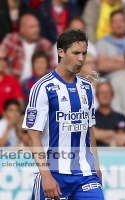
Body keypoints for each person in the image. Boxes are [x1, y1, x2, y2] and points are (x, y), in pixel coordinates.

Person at [22, 29, 104, 200]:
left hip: (86, 175)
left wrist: (96, 166)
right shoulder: (42, 87)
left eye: (84, 53)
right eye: (75, 53)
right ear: (61, 52)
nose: (81, 59)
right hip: (54, 175)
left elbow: (89, 131)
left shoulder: (87, 87)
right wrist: (45, 175)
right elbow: (33, 136)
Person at [0, 14, 54, 82]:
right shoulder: (10, 40)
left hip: (37, 84)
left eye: (38, 26)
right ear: (22, 28)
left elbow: (51, 70)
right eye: (32, 27)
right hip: (13, 84)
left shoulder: (46, 45)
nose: (37, 29)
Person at [94, 82, 125, 146]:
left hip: (116, 154)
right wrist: (115, 134)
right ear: (96, 96)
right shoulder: (88, 117)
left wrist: (99, 135)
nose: (105, 95)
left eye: (107, 92)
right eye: (102, 93)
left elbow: (124, 139)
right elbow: (89, 135)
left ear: (112, 95)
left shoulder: (121, 117)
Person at [0, 50, 24, 116]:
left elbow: (20, 105)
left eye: (5, 59)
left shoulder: (13, 81)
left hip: (8, 120)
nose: (2, 62)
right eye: (0, 59)